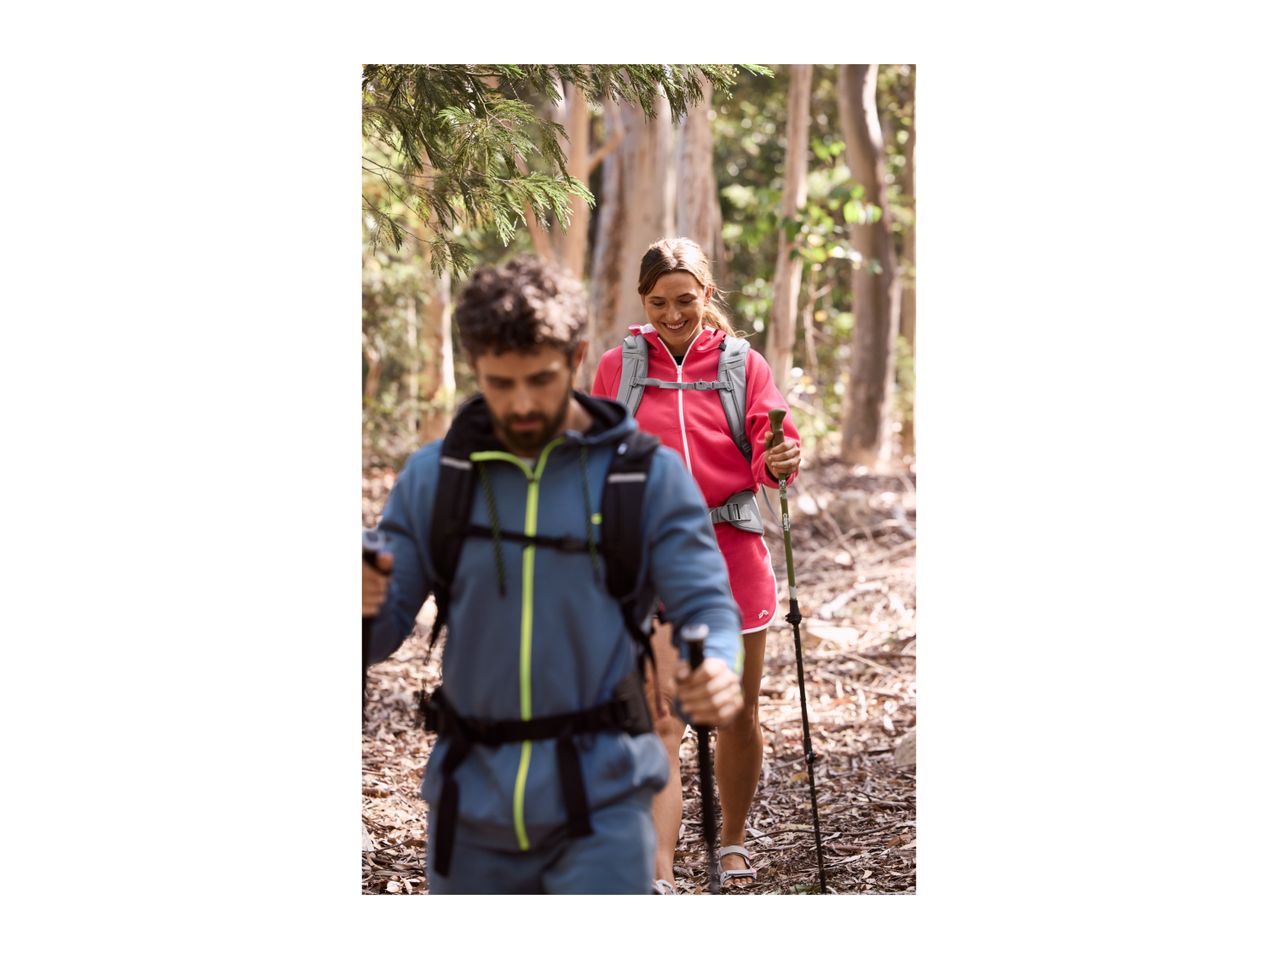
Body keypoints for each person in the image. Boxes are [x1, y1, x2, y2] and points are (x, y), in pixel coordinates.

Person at [363, 255, 744, 895]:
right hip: (468, 813)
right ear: (475, 366)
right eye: (498, 382)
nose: (520, 404)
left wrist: (715, 667)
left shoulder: (645, 478)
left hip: (605, 808)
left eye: (540, 380)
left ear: (576, 358)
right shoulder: (439, 479)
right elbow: (377, 632)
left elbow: (706, 600)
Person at [591, 237, 802, 892]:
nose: (673, 314)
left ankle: (732, 837)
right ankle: (658, 870)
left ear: (707, 295)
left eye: (686, 299)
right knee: (664, 715)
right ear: (643, 301)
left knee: (736, 712)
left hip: (733, 551)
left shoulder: (742, 363)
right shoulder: (618, 368)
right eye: (659, 303)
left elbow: (777, 443)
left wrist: (782, 458)